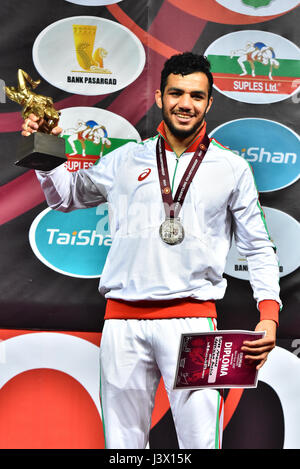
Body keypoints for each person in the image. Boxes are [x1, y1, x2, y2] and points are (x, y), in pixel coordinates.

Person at [21, 52, 281, 450]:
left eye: (196, 95)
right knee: (123, 448)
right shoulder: (125, 158)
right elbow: (66, 198)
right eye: (176, 92)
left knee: (200, 445)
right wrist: (48, 148)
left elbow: (259, 247)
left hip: (193, 325)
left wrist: (269, 316)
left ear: (209, 103)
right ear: (160, 97)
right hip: (122, 323)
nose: (185, 103)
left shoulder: (231, 168)